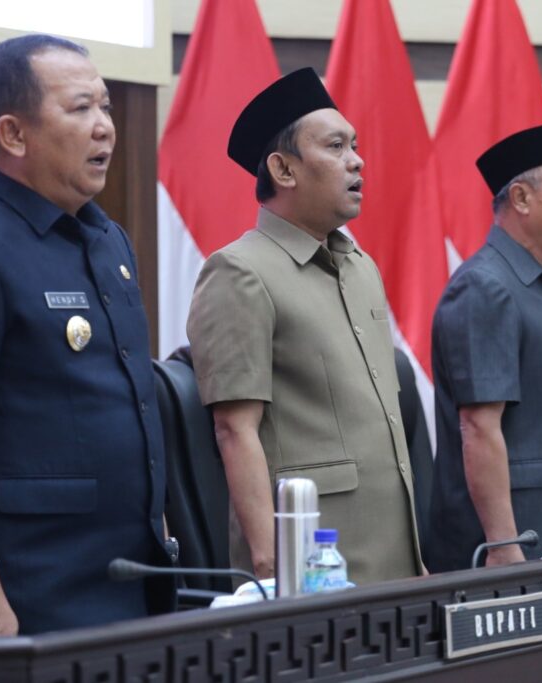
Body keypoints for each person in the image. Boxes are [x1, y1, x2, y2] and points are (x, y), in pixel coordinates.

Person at [0, 34, 174, 637]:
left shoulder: (108, 240)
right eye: (80, 109)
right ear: (14, 134)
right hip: (27, 588)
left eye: (106, 107)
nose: (104, 128)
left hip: (130, 574)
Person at [187, 68, 423, 585]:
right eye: (336, 146)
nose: (357, 161)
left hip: (394, 558)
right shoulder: (239, 271)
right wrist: (272, 565)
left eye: (355, 145)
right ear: (283, 169)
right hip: (310, 565)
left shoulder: (362, 267)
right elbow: (234, 429)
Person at [427, 122, 542, 571]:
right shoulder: (485, 287)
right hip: (510, 548)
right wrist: (502, 544)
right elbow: (479, 427)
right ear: (522, 198)